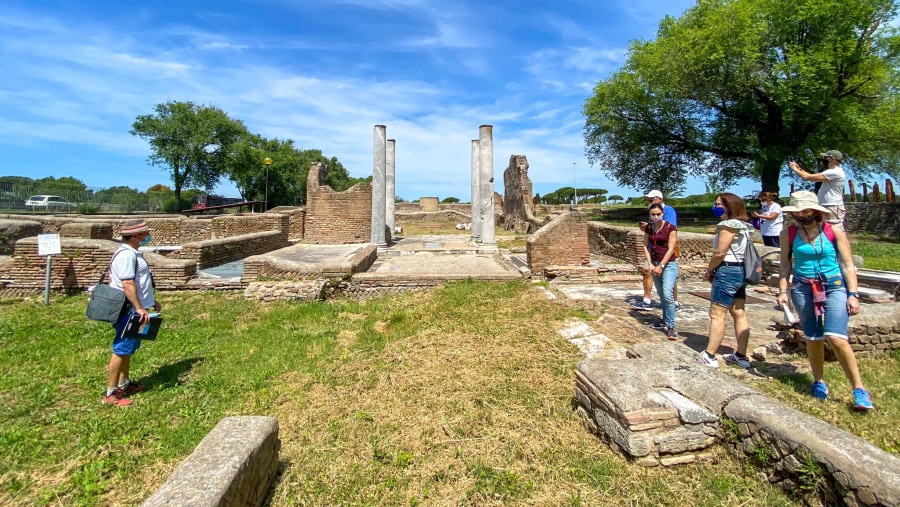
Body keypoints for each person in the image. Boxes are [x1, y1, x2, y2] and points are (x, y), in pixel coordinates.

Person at [775, 191, 872, 411]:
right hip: (803, 286)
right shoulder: (788, 233)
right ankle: (818, 381)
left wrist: (853, 294)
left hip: (833, 284)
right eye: (797, 211)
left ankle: (859, 389)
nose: (801, 215)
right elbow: (785, 264)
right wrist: (783, 291)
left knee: (836, 336)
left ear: (816, 211)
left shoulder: (833, 231)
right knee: (813, 336)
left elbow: (847, 265)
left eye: (805, 211)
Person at [102, 219, 160, 407]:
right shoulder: (127, 255)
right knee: (121, 348)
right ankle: (110, 393)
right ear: (135, 236)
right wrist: (139, 307)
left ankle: (124, 383)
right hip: (128, 309)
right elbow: (127, 283)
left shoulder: (132, 253)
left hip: (135, 307)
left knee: (128, 348)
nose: (147, 237)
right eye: (145, 234)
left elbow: (139, 282)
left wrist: (151, 301)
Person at [699, 193, 753, 369]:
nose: (715, 207)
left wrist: (710, 269)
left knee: (717, 314)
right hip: (740, 270)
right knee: (738, 311)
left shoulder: (727, 225)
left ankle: (710, 355)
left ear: (729, 206)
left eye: (719, 204)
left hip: (727, 269)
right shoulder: (744, 226)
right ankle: (741, 355)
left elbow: (720, 253)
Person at [632, 190, 681, 311]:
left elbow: (669, 228)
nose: (649, 201)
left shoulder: (668, 210)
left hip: (665, 250)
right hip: (652, 250)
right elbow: (651, 228)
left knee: (669, 278)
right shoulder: (652, 211)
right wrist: (646, 227)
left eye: (651, 199)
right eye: (648, 199)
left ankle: (675, 302)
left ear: (660, 199)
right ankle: (647, 300)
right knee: (647, 271)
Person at [641, 203, 679, 340]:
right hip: (655, 263)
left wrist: (661, 266)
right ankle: (665, 319)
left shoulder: (670, 228)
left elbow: (671, 248)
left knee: (668, 294)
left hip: (668, 264)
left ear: (662, 214)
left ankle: (671, 326)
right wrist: (650, 263)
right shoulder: (649, 228)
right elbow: (645, 245)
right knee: (662, 293)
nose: (656, 216)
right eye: (653, 214)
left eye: (658, 214)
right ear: (650, 215)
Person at [788, 150, 846, 229]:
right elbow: (809, 175)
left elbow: (807, 177)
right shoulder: (834, 172)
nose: (824, 159)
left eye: (826, 157)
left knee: (835, 231)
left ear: (833, 158)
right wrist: (799, 169)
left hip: (832, 205)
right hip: (828, 205)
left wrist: (794, 168)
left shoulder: (835, 172)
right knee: (825, 231)